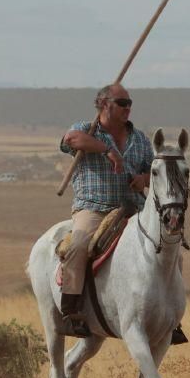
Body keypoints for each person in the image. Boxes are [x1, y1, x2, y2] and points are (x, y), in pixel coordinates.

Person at [58, 84, 154, 337]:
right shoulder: (85, 129)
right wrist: (108, 150)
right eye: (122, 103)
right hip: (94, 208)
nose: (128, 108)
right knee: (78, 244)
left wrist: (144, 179)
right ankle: (70, 310)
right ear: (104, 104)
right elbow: (70, 140)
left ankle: (169, 313)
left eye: (130, 103)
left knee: (166, 244)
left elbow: (155, 173)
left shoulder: (141, 139)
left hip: (134, 209)